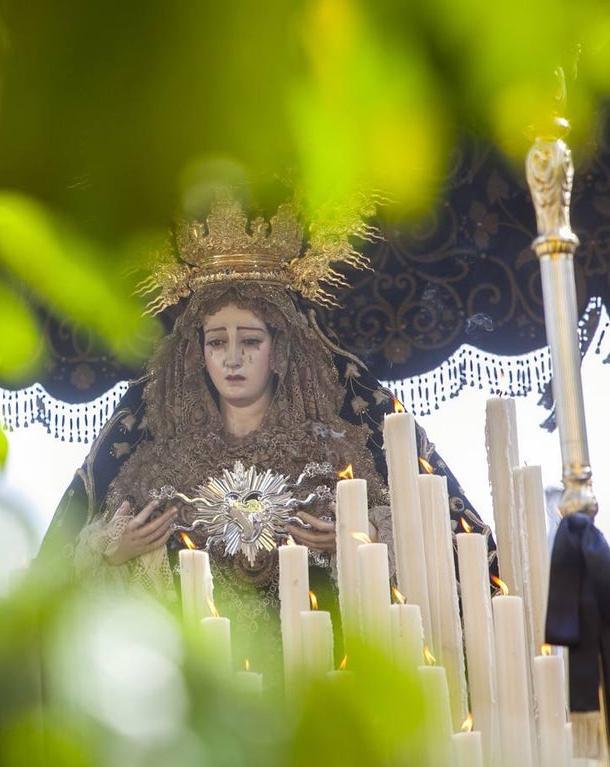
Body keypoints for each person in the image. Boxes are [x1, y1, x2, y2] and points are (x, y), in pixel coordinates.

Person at [37, 192, 489, 671]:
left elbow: (442, 552)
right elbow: (65, 590)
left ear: (281, 350)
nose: (233, 358)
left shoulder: (338, 458)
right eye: (217, 343)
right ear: (198, 356)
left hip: (326, 684)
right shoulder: (153, 469)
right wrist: (116, 553)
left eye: (250, 340)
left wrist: (365, 535)